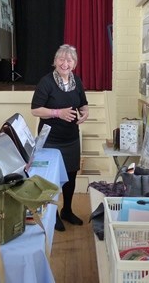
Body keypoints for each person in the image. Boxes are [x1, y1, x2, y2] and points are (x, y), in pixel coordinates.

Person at [31, 44, 89, 231]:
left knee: (71, 176)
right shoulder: (46, 82)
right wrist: (58, 112)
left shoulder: (76, 81)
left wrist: (85, 113)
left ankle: (67, 210)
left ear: (74, 63)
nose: (65, 63)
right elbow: (35, 110)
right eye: (61, 59)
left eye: (69, 60)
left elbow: (83, 105)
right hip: (51, 139)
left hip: (71, 137)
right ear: (55, 61)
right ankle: (52, 214)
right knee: (51, 179)